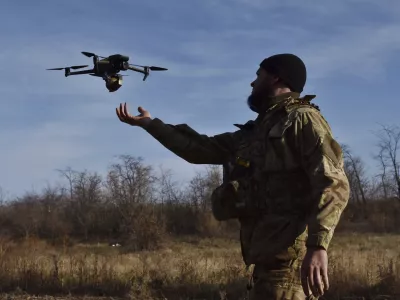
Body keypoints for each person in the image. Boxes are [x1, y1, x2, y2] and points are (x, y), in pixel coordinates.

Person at [115, 53, 350, 299]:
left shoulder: (303, 118)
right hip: (265, 267)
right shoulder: (256, 131)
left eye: (258, 76)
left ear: (276, 77)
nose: (252, 83)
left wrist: (317, 246)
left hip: (288, 268)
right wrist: (151, 125)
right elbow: (198, 148)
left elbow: (334, 183)